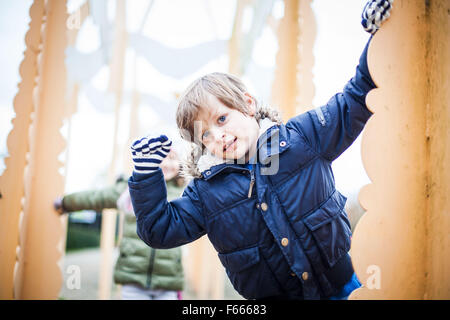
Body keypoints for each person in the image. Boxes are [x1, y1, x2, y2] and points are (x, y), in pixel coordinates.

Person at [127, 1, 393, 300]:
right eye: (206, 135)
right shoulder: (205, 193)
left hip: (344, 288)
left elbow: (354, 99)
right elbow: (160, 230)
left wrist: (379, 37)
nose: (219, 135)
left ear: (249, 104)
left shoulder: (303, 138)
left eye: (222, 118)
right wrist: (145, 175)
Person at [54, 149, 185, 300]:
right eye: (162, 158)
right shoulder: (131, 189)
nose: (168, 163)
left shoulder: (183, 194)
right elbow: (97, 198)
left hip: (168, 280)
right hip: (133, 276)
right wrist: (65, 203)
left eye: (173, 158)